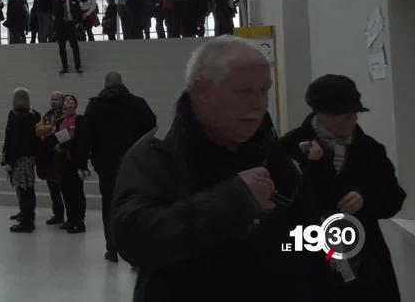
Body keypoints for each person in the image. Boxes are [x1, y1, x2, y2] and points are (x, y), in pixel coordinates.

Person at [111, 36, 305, 302]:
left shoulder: (265, 146)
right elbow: (134, 239)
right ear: (201, 91)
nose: (260, 104)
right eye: (245, 90)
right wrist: (235, 199)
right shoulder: (157, 153)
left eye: (264, 90)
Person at [279, 75, 406, 302]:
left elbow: (394, 198)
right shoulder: (289, 147)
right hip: (309, 256)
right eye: (342, 116)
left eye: (354, 115)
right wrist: (310, 165)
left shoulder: (369, 149)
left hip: (364, 261)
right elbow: (281, 204)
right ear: (320, 113)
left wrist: (365, 197)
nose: (350, 121)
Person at [80, 72, 157, 262]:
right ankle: (136, 250)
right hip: (134, 163)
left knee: (109, 205)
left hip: (106, 165)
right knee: (135, 204)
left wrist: (82, 162)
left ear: (105, 85)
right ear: (122, 83)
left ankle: (112, 248)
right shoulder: (138, 103)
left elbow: (86, 137)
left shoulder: (95, 106)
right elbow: (152, 127)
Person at [44, 94, 86, 233]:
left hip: (74, 160)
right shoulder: (61, 121)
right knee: (66, 191)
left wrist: (63, 146)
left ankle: (79, 221)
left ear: (75, 105)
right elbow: (54, 138)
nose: (68, 102)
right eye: (66, 100)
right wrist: (54, 146)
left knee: (77, 192)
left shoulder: (79, 119)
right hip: (62, 162)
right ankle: (70, 219)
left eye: (71, 100)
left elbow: (80, 140)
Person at [2, 88, 41, 233]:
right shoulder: (34, 115)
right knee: (28, 188)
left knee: (22, 189)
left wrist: (9, 161)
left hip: (19, 158)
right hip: (29, 157)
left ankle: (27, 221)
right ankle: (28, 214)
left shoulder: (15, 116)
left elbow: (13, 141)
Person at [35, 92, 65, 226]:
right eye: (52, 99)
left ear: (62, 101)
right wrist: (50, 129)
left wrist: (49, 132)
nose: (53, 102)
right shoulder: (47, 115)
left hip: (61, 155)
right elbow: (38, 130)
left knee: (65, 188)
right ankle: (57, 214)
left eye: (56, 99)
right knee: (52, 187)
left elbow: (63, 133)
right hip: (48, 156)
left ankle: (71, 216)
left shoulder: (65, 115)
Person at [53, 0, 83, 74]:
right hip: (61, 26)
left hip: (71, 24)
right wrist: (59, 1)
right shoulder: (55, 1)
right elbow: (55, 13)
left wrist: (78, 22)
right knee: (62, 48)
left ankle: (78, 66)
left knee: (75, 46)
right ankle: (65, 67)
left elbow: (78, 11)